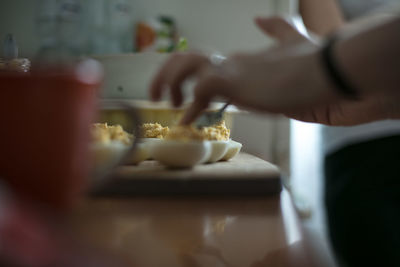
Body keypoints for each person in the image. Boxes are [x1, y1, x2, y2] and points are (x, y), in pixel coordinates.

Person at [149, 2, 400, 266]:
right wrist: (380, 99)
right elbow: (332, 37)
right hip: (361, 149)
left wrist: (317, 64)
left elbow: (337, 50)